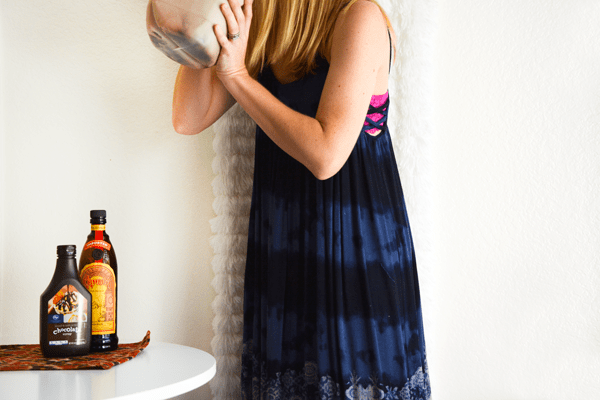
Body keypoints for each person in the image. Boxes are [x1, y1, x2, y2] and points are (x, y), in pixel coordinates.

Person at [172, 0, 431, 398]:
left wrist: (238, 76)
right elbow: (188, 118)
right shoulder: (265, 25)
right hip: (284, 247)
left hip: (353, 255)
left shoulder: (358, 17)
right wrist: (206, 19)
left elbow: (327, 155)